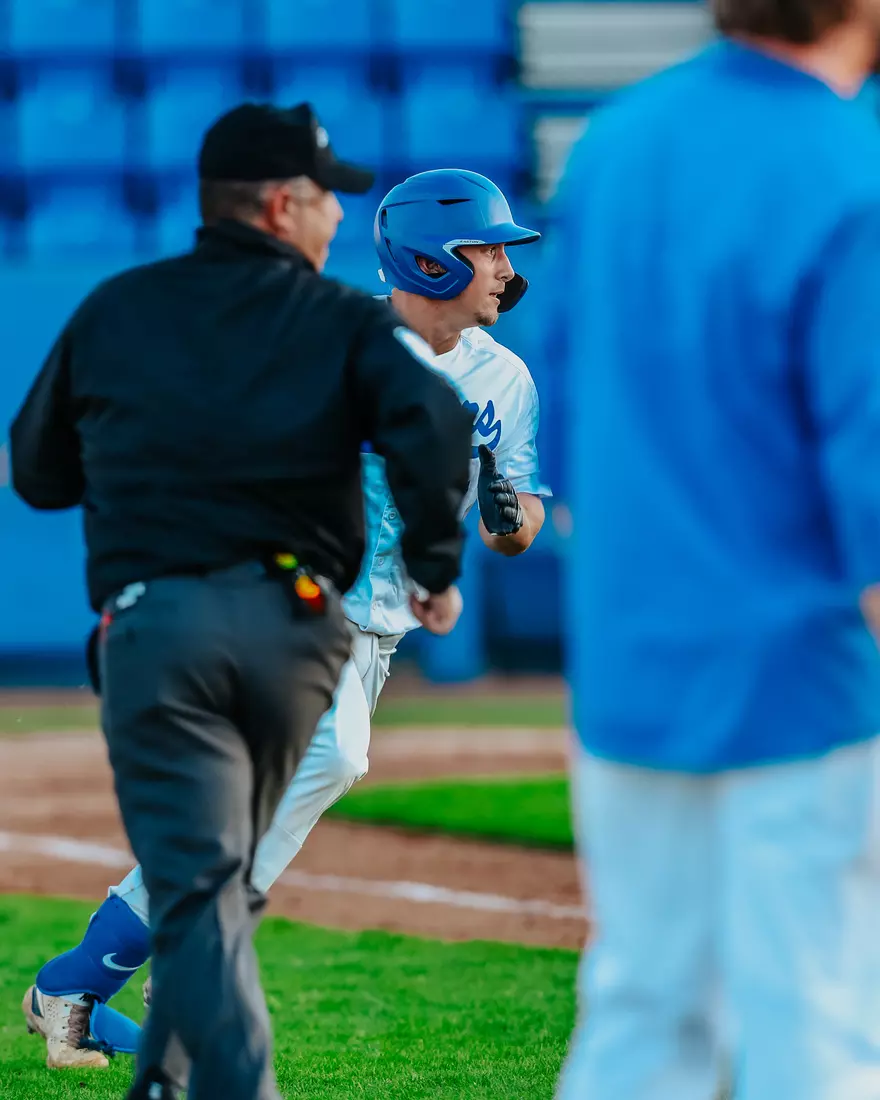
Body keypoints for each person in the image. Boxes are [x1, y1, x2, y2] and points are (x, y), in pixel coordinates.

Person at [20, 168, 549, 1076]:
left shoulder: (506, 377)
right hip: (289, 604)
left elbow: (523, 522)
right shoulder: (330, 341)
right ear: (427, 261)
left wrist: (505, 517)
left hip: (375, 632)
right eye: (486, 249)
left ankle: (78, 986)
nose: (504, 266)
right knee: (335, 754)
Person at [552, 2, 880, 1099]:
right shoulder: (851, 162)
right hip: (805, 683)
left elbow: (562, 433)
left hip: (630, 665)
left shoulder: (617, 139)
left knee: (642, 1017)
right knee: (817, 1026)